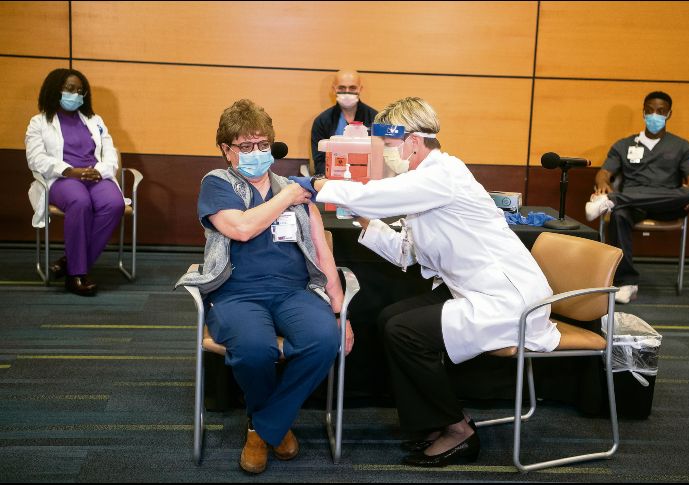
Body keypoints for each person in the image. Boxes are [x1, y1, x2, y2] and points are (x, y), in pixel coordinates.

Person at [291, 97, 559, 467]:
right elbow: (407, 251)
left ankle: (458, 430)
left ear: (413, 142)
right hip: (478, 292)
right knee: (390, 319)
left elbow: (374, 195)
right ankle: (433, 424)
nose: (385, 154)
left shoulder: (441, 175)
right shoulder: (422, 181)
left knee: (405, 331)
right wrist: (366, 222)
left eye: (388, 146)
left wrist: (319, 184)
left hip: (511, 301)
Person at [175, 99, 354, 474]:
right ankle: (277, 427)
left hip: (293, 292)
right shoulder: (218, 183)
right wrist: (287, 197)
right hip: (236, 292)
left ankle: (263, 427)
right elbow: (241, 228)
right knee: (255, 350)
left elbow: (322, 252)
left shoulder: (293, 189)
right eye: (245, 146)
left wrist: (341, 311)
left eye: (263, 144)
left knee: (326, 340)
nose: (257, 152)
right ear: (226, 150)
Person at [584, 91, 689, 304]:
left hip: (667, 204)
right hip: (633, 208)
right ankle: (627, 282)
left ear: (669, 114)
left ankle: (616, 200)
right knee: (619, 214)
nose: (654, 115)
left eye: (660, 111)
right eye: (650, 111)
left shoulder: (682, 146)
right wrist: (602, 185)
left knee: (685, 193)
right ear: (643, 112)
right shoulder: (623, 145)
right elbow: (604, 173)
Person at [25, 68, 126, 297]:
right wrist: (69, 170)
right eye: (70, 89)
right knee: (80, 202)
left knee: (114, 204)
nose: (76, 95)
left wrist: (99, 171)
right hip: (62, 178)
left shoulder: (94, 120)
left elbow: (109, 152)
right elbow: (36, 158)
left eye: (80, 90)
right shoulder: (39, 122)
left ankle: (70, 261)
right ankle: (76, 275)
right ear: (55, 90)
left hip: (94, 175)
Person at [310, 69, 378, 176]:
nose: (347, 92)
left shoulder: (375, 119)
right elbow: (320, 163)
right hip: (332, 180)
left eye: (352, 88)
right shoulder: (321, 121)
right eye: (342, 87)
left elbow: (380, 158)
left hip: (365, 179)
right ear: (334, 89)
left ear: (360, 89)